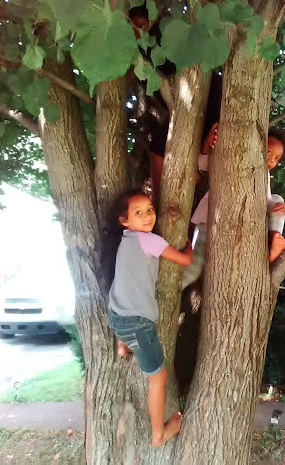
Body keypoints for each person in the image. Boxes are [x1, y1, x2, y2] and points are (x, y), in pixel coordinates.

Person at [107, 189, 193, 447]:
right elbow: (185, 260)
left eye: (150, 210)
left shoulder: (127, 239)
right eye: (138, 212)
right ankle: (159, 435)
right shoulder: (150, 240)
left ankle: (123, 345)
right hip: (137, 324)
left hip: (115, 315)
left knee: (126, 328)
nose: (147, 217)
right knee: (158, 378)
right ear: (125, 220)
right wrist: (190, 242)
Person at [181, 127, 285, 289]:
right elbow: (203, 163)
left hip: (236, 227)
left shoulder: (264, 175)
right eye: (268, 152)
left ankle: (273, 240)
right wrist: (206, 145)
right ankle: (164, 291)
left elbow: (266, 201)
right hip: (209, 219)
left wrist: (279, 208)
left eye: (277, 158)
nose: (272, 160)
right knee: (195, 268)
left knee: (277, 200)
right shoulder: (235, 157)